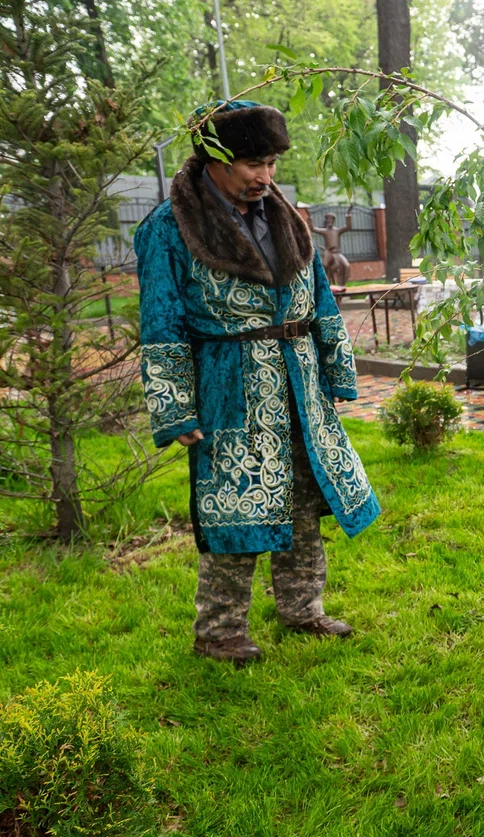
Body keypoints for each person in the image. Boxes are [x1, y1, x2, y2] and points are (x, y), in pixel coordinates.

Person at [134, 100, 381, 665]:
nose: (264, 177)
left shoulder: (285, 215)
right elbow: (161, 321)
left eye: (270, 162)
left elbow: (318, 297)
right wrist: (175, 407)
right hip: (230, 386)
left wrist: (336, 370)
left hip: (299, 382)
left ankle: (302, 609)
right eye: (251, 163)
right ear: (214, 157)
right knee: (236, 506)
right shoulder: (171, 227)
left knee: (303, 498)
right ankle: (218, 632)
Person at [313, 208, 354, 289]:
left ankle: (342, 285)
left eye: (331, 219)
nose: (329, 221)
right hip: (329, 253)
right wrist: (310, 218)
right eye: (328, 219)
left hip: (338, 253)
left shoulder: (337, 231)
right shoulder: (324, 231)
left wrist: (348, 215)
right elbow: (313, 228)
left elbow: (348, 227)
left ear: (333, 220)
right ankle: (324, 284)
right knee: (324, 265)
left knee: (346, 266)